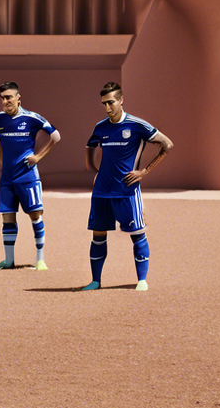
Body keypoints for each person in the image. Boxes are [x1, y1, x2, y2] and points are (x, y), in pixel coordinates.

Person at [82, 82, 172, 292]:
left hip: (127, 191)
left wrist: (144, 172)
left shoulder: (137, 125)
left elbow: (167, 144)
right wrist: (94, 170)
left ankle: (142, 280)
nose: (107, 107)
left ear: (121, 100)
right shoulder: (100, 127)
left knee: (137, 234)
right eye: (104, 103)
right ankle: (96, 281)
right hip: (101, 192)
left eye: (111, 102)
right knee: (97, 236)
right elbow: (90, 145)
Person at [0, 81, 61, 270]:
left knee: (35, 215)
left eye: (9, 97)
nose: (5, 101)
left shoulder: (32, 118)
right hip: (7, 178)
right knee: (7, 216)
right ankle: (9, 260)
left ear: (19, 98)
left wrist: (38, 157)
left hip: (28, 177)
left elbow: (56, 136)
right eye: (3, 98)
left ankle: (40, 259)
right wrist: (2, 161)